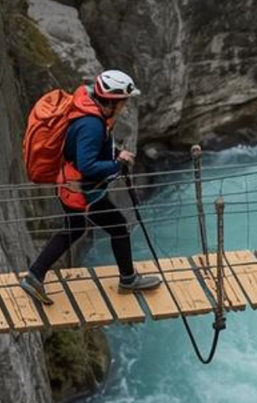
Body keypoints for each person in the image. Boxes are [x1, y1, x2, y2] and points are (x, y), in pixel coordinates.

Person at [19, 70, 163, 303]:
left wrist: (116, 153)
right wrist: (117, 165)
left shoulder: (88, 112)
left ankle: (34, 276)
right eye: (124, 100)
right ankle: (128, 279)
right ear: (112, 101)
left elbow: (83, 151)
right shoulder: (92, 124)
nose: (125, 105)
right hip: (83, 190)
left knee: (74, 230)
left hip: (71, 185)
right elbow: (87, 164)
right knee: (118, 226)